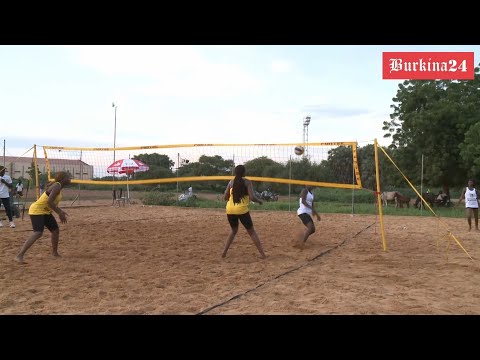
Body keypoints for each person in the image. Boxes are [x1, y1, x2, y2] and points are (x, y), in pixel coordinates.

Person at [15, 171, 71, 264]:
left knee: (55, 231)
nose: (70, 179)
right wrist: (59, 212)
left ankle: (54, 253)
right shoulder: (57, 186)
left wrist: (61, 211)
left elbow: (51, 203)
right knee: (38, 233)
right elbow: (49, 202)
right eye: (68, 177)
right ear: (63, 178)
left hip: (45, 211)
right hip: (37, 210)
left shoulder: (59, 187)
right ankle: (19, 255)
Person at [222, 165, 266, 259]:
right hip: (241, 210)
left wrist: (233, 196)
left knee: (234, 231)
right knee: (252, 232)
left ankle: (224, 252)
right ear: (244, 173)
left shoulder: (231, 182)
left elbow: (225, 197)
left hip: (230, 209)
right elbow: (252, 197)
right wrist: (259, 201)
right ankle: (263, 255)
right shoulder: (247, 182)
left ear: (235, 172)